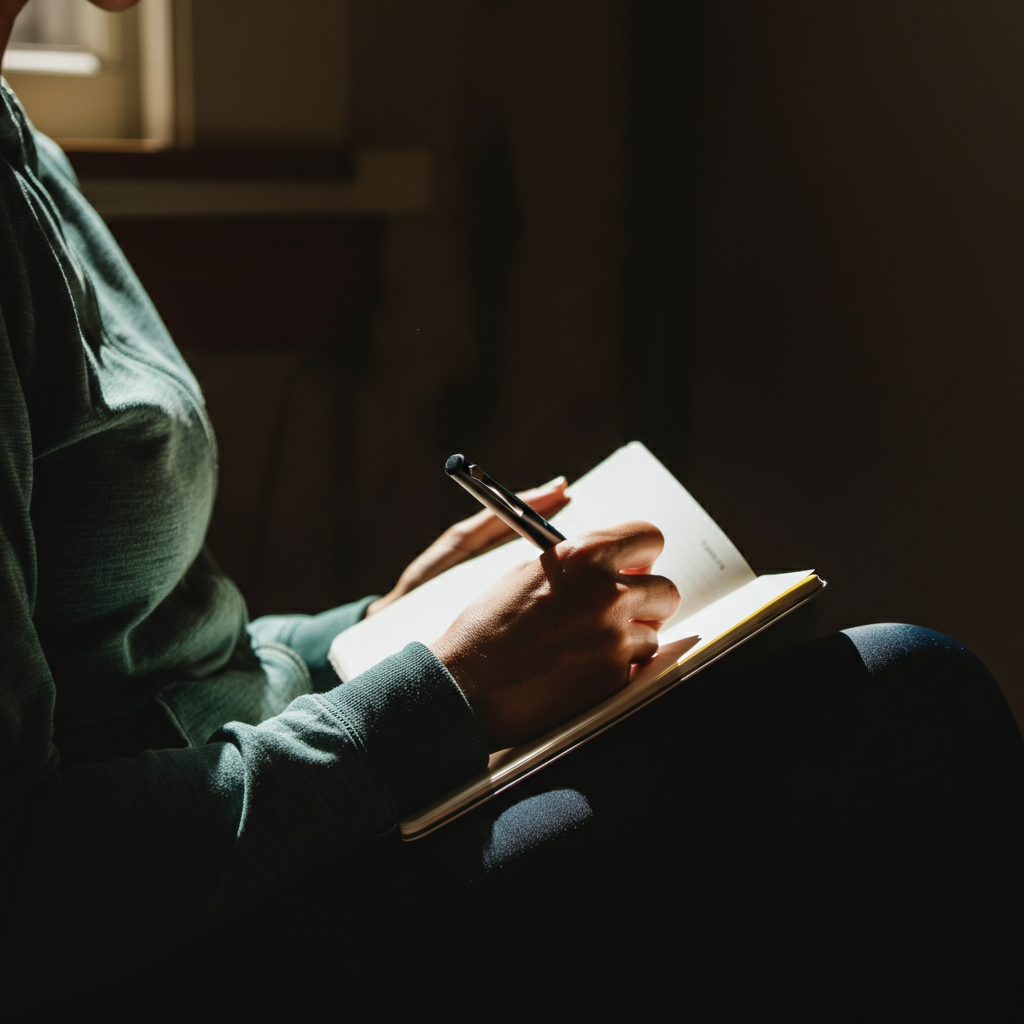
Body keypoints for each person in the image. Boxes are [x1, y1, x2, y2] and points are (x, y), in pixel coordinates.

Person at [2, 1, 1022, 1016]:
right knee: (905, 707)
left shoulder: (23, 144)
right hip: (185, 933)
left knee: (882, 715)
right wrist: (445, 687)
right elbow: (31, 894)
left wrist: (363, 634)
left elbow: (136, 661)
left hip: (278, 796)